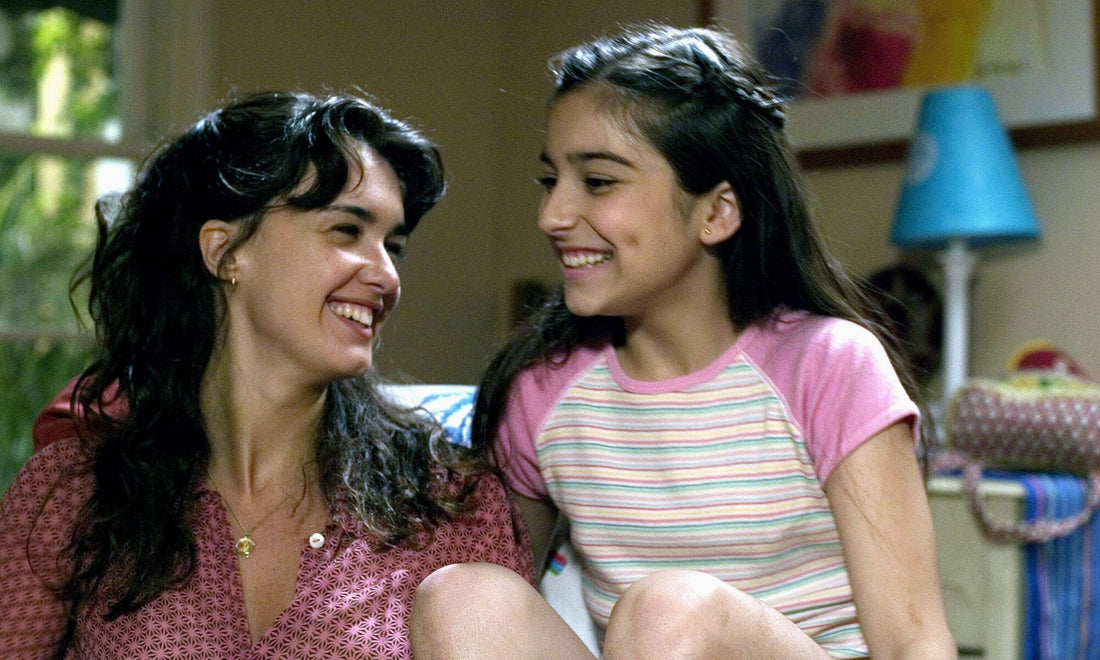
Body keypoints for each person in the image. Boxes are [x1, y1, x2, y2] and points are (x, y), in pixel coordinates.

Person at [410, 24, 956, 659]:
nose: (552, 216)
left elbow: (914, 641)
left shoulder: (829, 364)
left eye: (598, 182)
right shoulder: (542, 390)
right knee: (463, 596)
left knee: (669, 610)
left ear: (717, 212)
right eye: (550, 180)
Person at [0, 91, 533, 659]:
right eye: (346, 231)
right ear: (225, 252)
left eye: (393, 246)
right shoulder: (76, 494)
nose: (385, 275)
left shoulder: (454, 508)